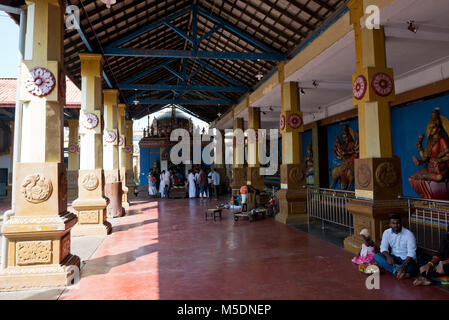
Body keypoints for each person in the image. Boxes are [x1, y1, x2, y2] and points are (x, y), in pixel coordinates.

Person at [374, 214, 417, 280]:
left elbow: (411, 253)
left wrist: (404, 265)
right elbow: (383, 248)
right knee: (377, 256)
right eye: (393, 223)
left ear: (401, 223)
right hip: (394, 258)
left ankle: (399, 271)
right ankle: (397, 271)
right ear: (390, 224)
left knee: (412, 264)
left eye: (398, 223)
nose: (396, 225)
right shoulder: (386, 233)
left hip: (406, 259)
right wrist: (388, 257)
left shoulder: (409, 234)